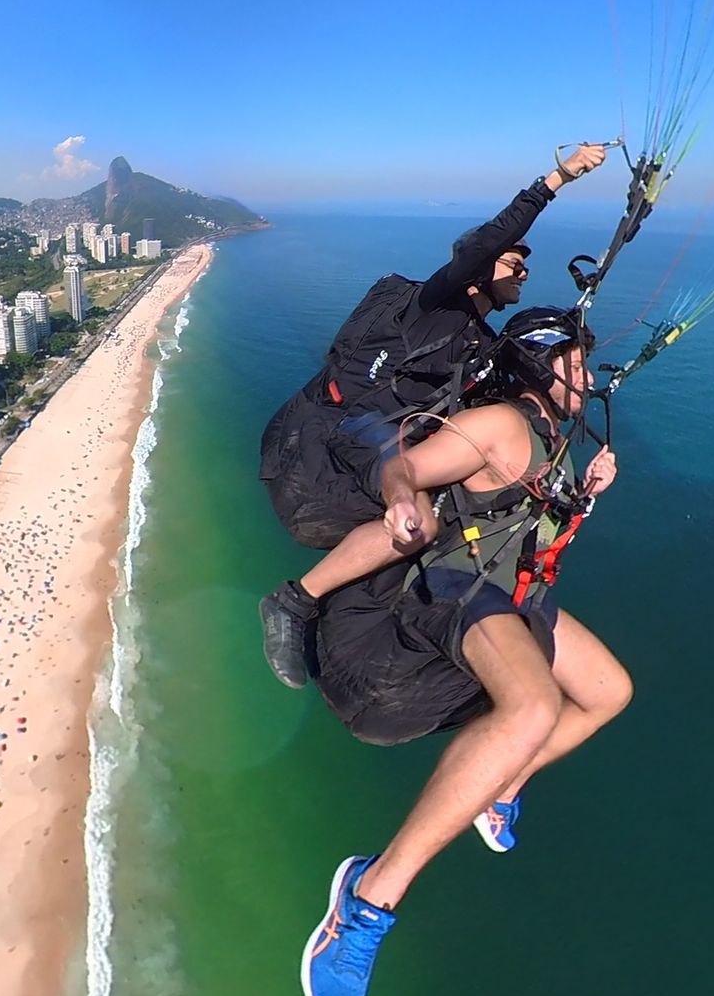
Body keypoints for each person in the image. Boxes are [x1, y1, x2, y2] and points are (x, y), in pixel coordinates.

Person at [296, 317, 633, 996]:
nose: (589, 378)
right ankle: (367, 897)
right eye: (575, 363)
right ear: (538, 364)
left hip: (515, 591)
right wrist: (400, 497)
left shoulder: (555, 440)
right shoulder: (501, 424)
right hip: (457, 584)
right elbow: (405, 465)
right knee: (533, 706)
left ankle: (499, 785)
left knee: (609, 691)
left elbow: (533, 526)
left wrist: (587, 489)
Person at [258, 143, 607, 687]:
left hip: (384, 431)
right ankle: (294, 601)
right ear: (478, 271)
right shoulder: (434, 304)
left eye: (525, 265)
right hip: (347, 424)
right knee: (420, 519)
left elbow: (519, 398)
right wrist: (556, 179)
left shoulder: (482, 342)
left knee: (450, 511)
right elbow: (487, 242)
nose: (524, 272)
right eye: (514, 264)